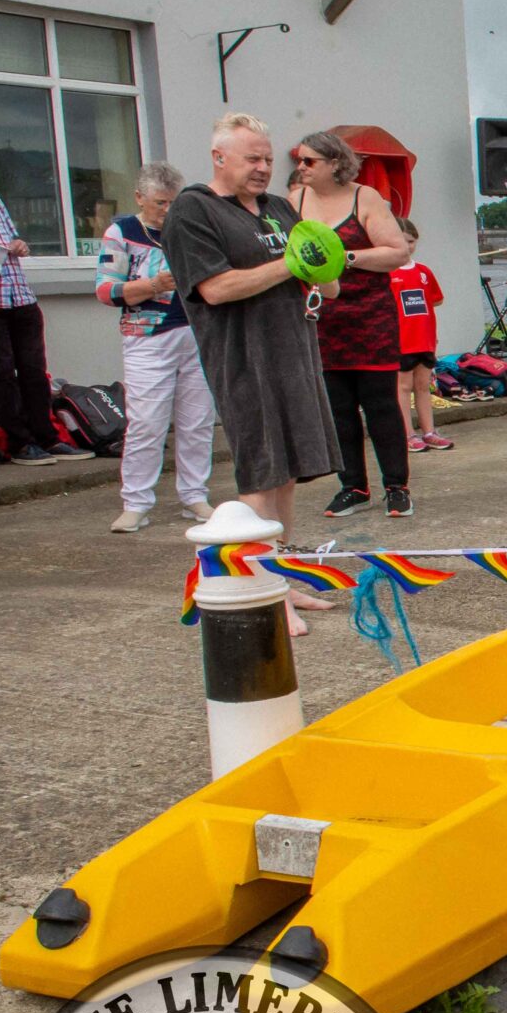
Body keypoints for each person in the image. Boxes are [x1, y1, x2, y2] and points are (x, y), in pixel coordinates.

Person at [161, 113, 341, 634]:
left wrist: (324, 265)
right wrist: (293, 261)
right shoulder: (194, 210)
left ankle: (280, 578)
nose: (264, 168)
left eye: (268, 159)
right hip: (244, 356)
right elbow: (214, 288)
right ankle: (259, 589)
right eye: (252, 159)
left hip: (296, 350)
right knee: (260, 470)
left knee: (286, 471)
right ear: (220, 158)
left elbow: (327, 283)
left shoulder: (279, 208)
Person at [292, 130, 415, 519]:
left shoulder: (366, 197)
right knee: (338, 408)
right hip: (322, 319)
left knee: (381, 406)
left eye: (309, 161)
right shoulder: (294, 200)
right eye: (299, 159)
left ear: (335, 164)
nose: (300, 167)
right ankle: (352, 486)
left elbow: (395, 252)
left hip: (369, 317)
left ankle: (396, 486)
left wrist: (343, 258)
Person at [96, 161, 213, 530]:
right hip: (147, 336)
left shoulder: (189, 229)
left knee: (198, 420)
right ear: (139, 199)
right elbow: (105, 290)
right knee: (147, 422)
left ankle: (194, 495)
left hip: (197, 332)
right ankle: (136, 501)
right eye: (160, 203)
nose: (167, 211)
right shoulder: (122, 232)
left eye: (173, 203)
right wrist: (152, 286)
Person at [0, 137, 92, 465]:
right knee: (2, 370)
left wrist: (19, 244)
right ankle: (20, 444)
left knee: (35, 371)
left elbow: (11, 234)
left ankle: (48, 438)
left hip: (18, 293)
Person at [386, 219, 451, 452]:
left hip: (424, 339)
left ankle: (429, 431)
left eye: (411, 241)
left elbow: (436, 299)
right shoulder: (388, 272)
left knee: (423, 386)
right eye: (403, 241)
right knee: (402, 387)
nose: (408, 246)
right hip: (401, 341)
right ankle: (407, 433)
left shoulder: (423, 271)